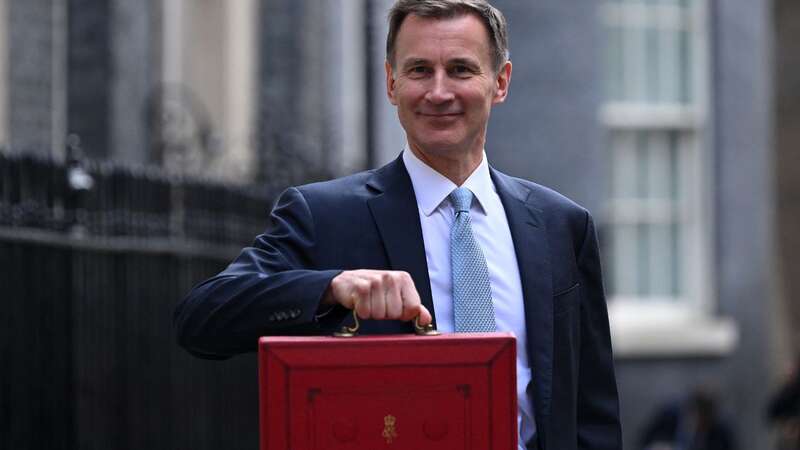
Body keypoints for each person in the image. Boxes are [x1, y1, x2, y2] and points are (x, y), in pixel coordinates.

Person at [173, 1, 622, 449]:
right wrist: (331, 289)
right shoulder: (324, 215)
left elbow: (592, 412)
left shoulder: (561, 225)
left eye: (461, 70)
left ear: (500, 81)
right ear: (391, 83)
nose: (439, 91)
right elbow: (201, 319)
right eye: (420, 70)